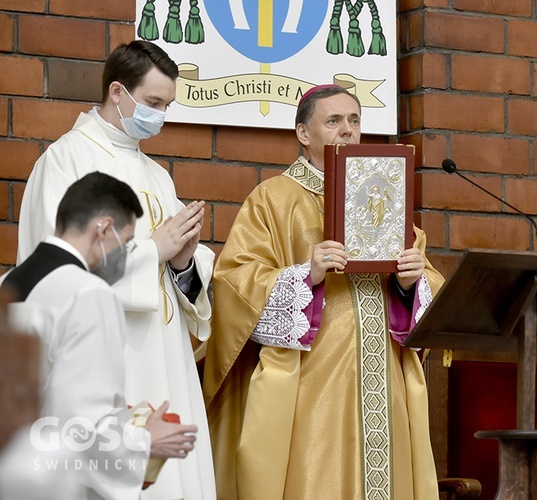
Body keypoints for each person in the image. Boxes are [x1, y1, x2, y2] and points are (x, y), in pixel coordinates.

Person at [203, 85, 443, 499]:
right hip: (311, 387)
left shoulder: (385, 197)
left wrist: (410, 284)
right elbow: (233, 283)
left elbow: (431, 291)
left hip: (384, 384)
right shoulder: (274, 199)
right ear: (303, 133)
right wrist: (305, 275)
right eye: (333, 121)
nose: (347, 131)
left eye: (354, 121)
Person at [16, 41, 216, 499]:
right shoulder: (66, 160)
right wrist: (154, 250)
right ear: (118, 92)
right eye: (152, 104)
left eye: (167, 106)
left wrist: (185, 261)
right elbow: (58, 270)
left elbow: (173, 269)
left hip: (165, 354)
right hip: (110, 353)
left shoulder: (156, 174)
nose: (160, 116)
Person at [1, 172, 198, 499]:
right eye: (129, 241)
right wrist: (145, 440)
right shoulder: (87, 293)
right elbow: (81, 425)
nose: (128, 253)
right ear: (104, 229)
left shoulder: (7, 284)